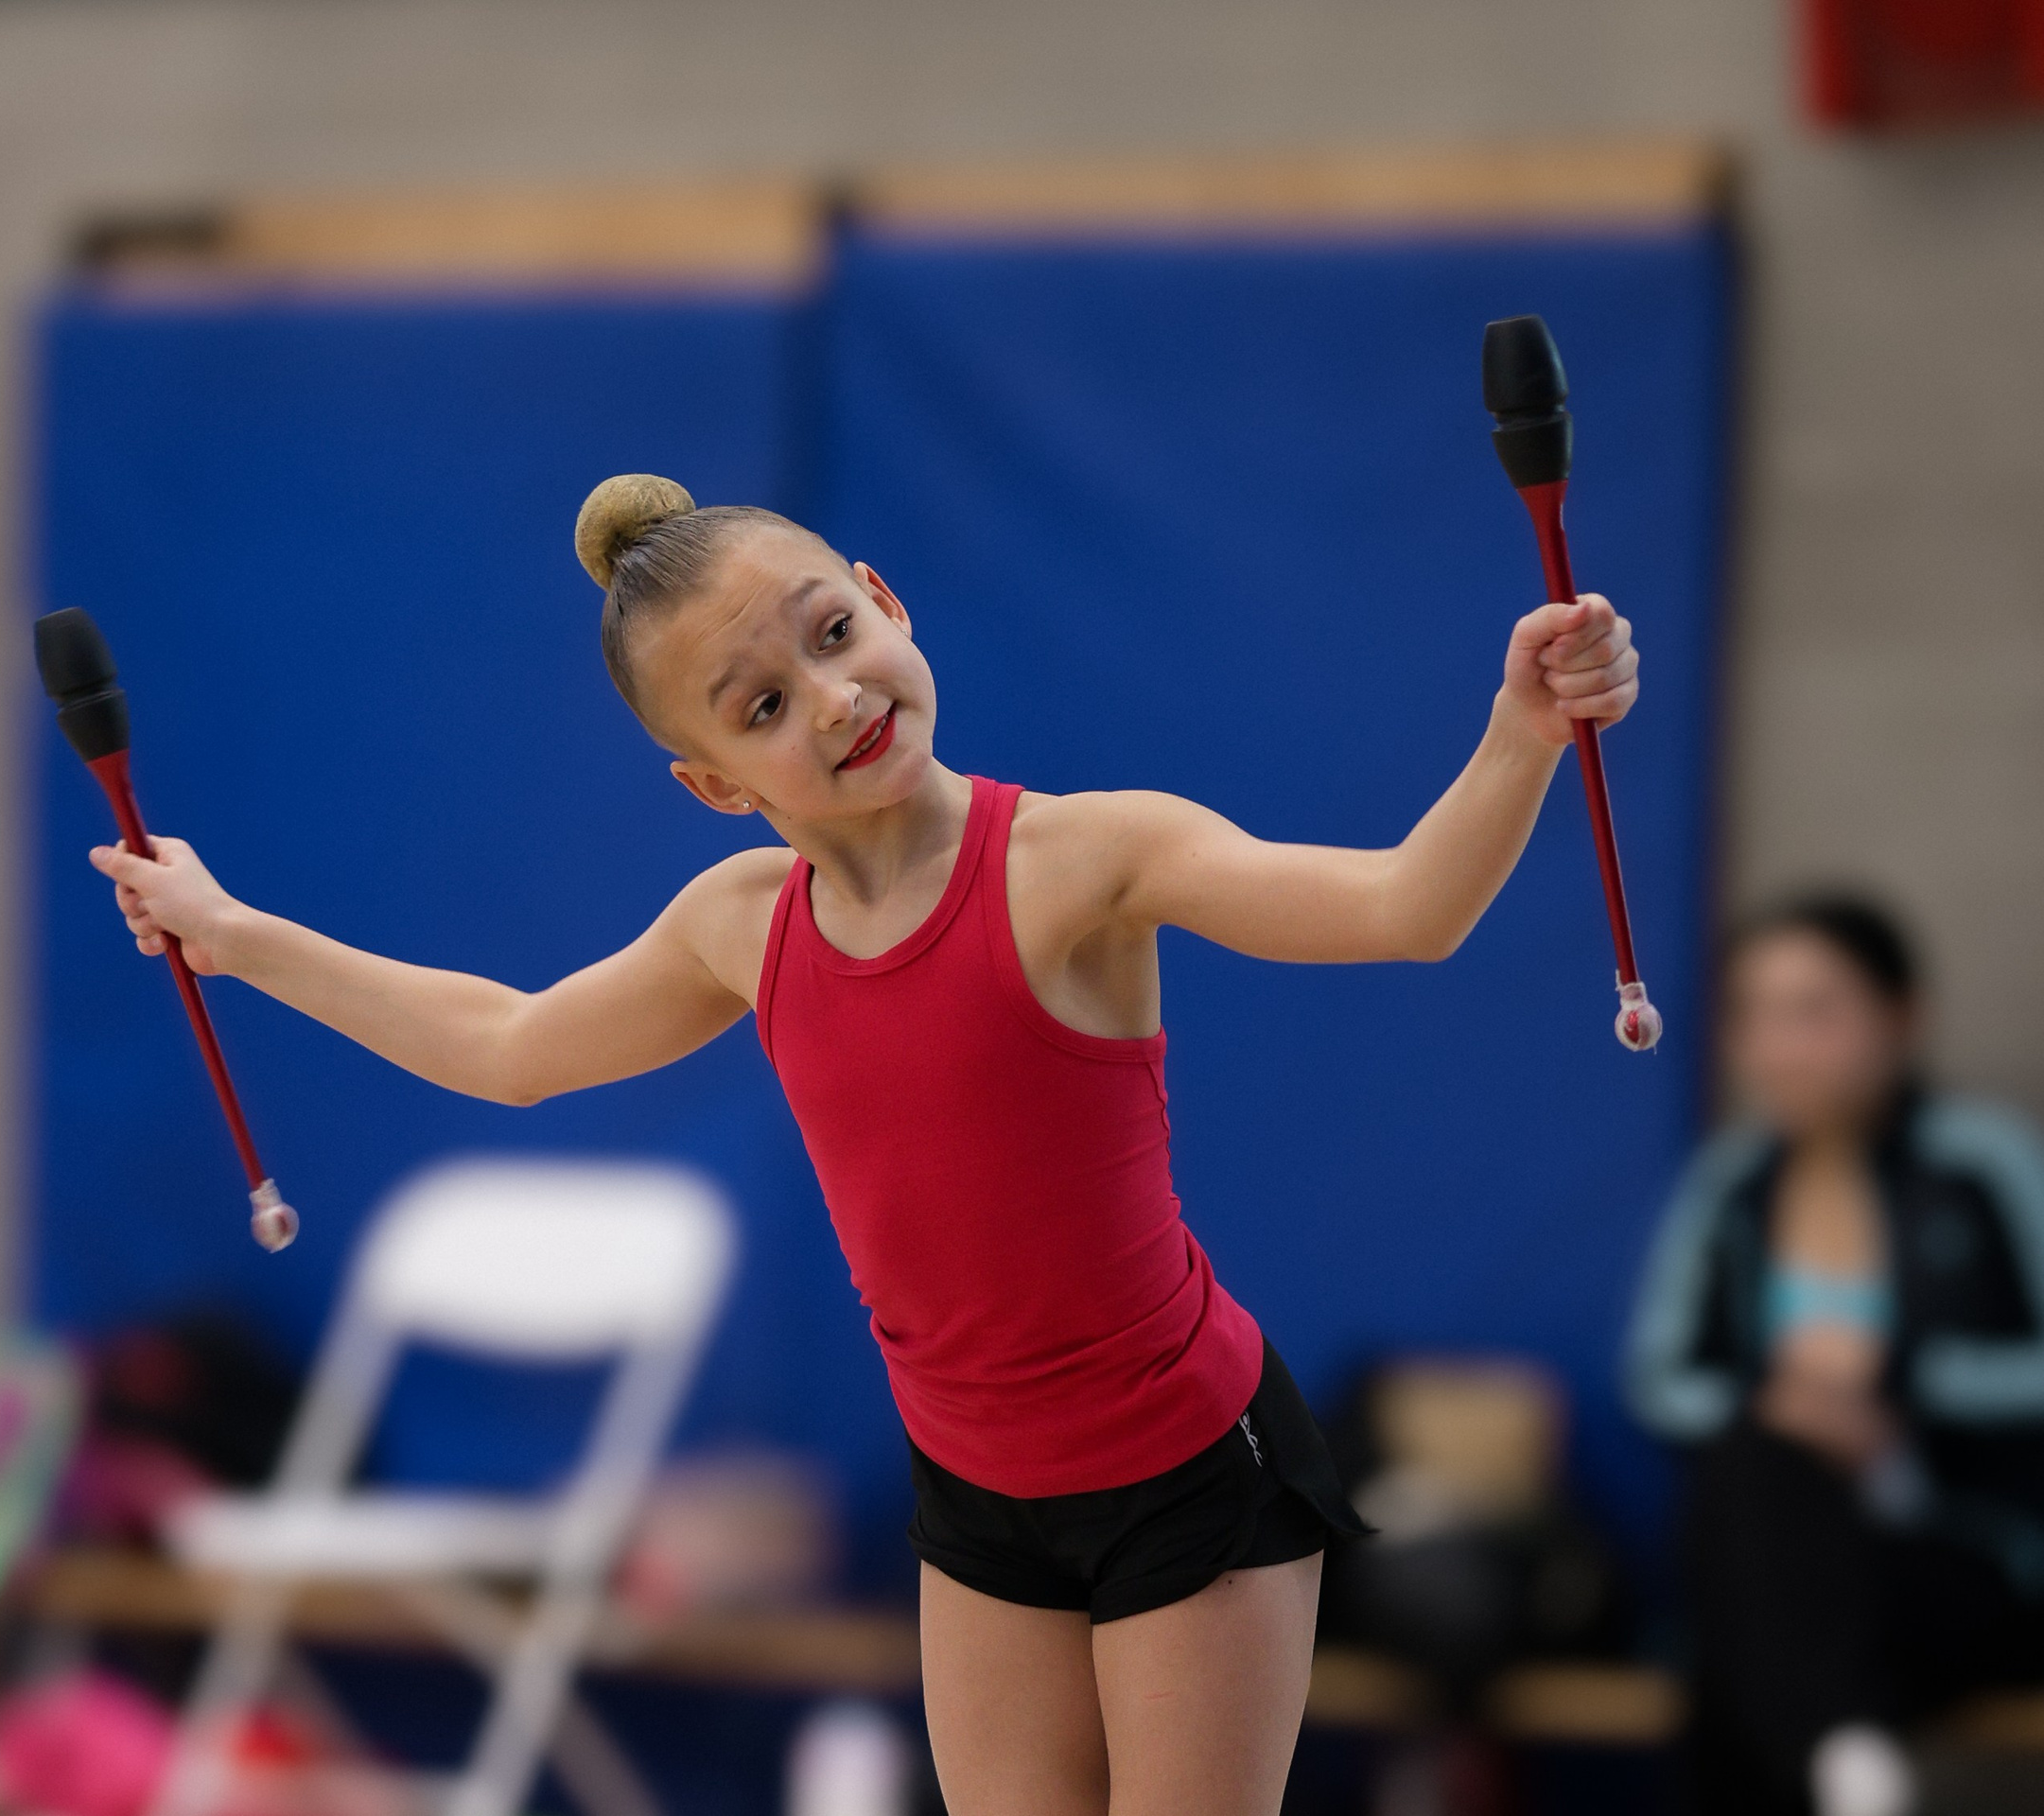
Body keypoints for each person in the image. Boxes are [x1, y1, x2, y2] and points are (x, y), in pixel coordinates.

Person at [92, 475, 1639, 1814]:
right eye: (761, 704)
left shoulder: (1089, 858)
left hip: (1191, 1476)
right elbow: (506, 1047)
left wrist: (1520, 729)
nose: (831, 699)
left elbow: (1404, 909)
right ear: (711, 782)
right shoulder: (738, 928)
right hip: (976, 1502)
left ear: (888, 602)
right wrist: (237, 937)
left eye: (834, 633)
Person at [1625, 897, 2044, 1816]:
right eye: (1754, 1013)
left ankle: (1846, 1764)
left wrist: (1898, 1391)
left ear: (1901, 1015)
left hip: (1961, 1553)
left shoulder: (1982, 1166)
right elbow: (1657, 1379)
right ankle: (1849, 1762)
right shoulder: (1730, 1188)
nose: (1780, 1045)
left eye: (1813, 1011)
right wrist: (1782, 1403)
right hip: (1784, 1541)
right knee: (1753, 1473)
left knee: (1747, 1637)